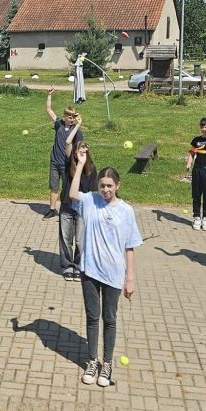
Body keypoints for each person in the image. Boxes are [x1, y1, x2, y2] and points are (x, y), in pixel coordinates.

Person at [68, 147, 140, 388]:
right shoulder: (91, 201)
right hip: (89, 270)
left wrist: (130, 279)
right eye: (102, 186)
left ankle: (106, 364)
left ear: (117, 185)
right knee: (92, 317)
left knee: (109, 318)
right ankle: (92, 361)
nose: (106, 190)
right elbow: (72, 193)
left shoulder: (126, 211)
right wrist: (80, 164)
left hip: (113, 274)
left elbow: (130, 247)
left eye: (109, 186)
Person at [58, 138, 98, 281]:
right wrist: (77, 125)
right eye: (80, 149)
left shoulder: (92, 169)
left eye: (85, 148)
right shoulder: (69, 164)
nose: (83, 151)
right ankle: (67, 266)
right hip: (67, 207)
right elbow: (67, 142)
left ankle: (79, 265)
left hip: (82, 210)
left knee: (81, 241)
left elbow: (94, 193)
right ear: (75, 153)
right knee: (66, 239)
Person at [44, 88, 83, 219]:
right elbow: (49, 110)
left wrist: (77, 161)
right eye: (69, 117)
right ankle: (52, 209)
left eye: (73, 117)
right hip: (55, 162)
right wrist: (49, 95)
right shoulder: (59, 124)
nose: (71, 119)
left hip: (67, 164)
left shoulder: (76, 130)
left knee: (67, 189)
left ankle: (68, 210)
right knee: (54, 186)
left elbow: (80, 146)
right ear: (65, 116)